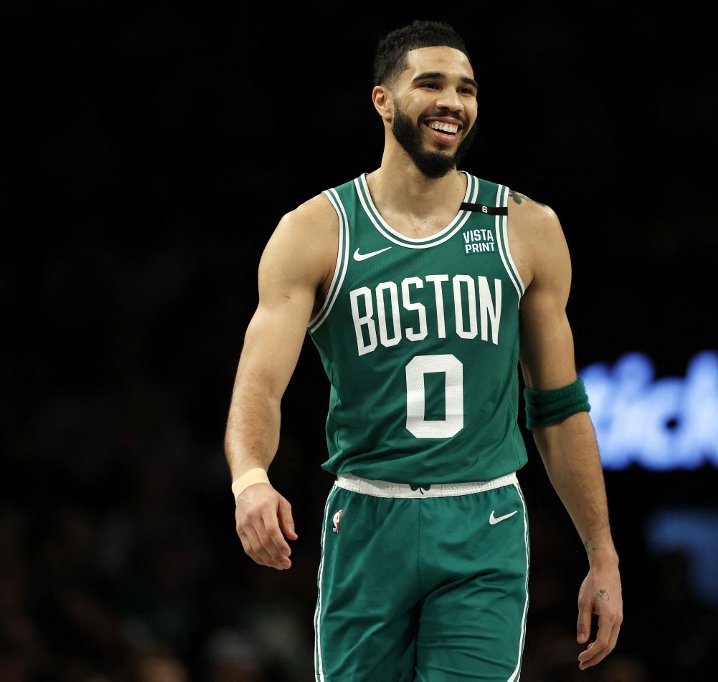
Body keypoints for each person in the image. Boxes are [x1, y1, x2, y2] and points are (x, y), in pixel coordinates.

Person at [224, 18, 623, 679]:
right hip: (367, 512)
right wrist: (250, 482)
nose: (452, 102)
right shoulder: (315, 231)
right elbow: (258, 386)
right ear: (382, 99)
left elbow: (557, 405)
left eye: (466, 89)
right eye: (430, 83)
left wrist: (601, 552)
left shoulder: (525, 227)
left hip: (484, 519)